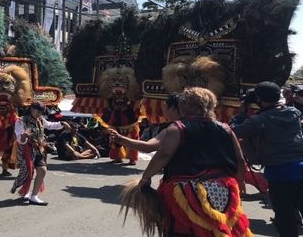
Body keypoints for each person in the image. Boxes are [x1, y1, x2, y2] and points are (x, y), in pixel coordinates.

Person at [122, 87, 251, 236]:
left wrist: (146, 177)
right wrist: (240, 183)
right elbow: (240, 160)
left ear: (185, 106)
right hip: (224, 189)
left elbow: (164, 153)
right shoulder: (226, 129)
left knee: (182, 230)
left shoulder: (177, 128)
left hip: (187, 190)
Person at [231, 81, 303, 237]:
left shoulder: (258, 120)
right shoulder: (293, 113)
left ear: (259, 98)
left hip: (279, 173)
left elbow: (233, 132)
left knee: (285, 217)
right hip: (300, 168)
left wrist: (241, 114)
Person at [11, 101, 71, 205]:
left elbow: (50, 125)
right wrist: (24, 135)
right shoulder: (21, 121)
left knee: (42, 170)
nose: (39, 113)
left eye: (41, 111)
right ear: (31, 109)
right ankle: (25, 191)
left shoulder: (40, 120)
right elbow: (19, 137)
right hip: (27, 150)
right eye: (37, 110)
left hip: (39, 149)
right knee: (28, 173)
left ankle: (34, 196)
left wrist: (61, 123)